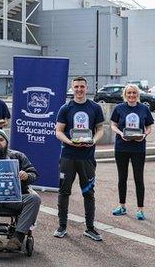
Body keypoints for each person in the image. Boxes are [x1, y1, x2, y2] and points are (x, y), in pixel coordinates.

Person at [54, 76, 105, 241]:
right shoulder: (65, 108)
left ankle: (90, 228)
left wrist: (93, 141)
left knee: (88, 192)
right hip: (68, 156)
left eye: (82, 87)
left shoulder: (95, 107)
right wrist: (69, 141)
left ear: (86, 87)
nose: (79, 89)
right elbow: (58, 131)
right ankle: (62, 226)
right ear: (72, 88)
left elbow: (100, 129)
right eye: (76, 87)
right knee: (64, 192)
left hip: (87, 157)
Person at [109, 84, 153, 220]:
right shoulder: (119, 108)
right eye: (129, 93)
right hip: (122, 147)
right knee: (122, 178)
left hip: (138, 148)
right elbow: (113, 125)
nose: (132, 95)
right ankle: (122, 206)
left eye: (134, 93)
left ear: (137, 94)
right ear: (125, 94)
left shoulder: (144, 109)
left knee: (138, 179)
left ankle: (140, 209)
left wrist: (144, 135)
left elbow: (149, 126)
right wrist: (121, 133)